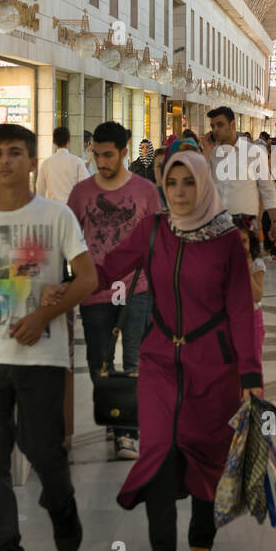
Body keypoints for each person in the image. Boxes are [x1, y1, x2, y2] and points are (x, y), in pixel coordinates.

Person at [95, 150, 263, 551]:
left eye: (189, 183)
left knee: (206, 451)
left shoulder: (227, 239)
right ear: (163, 188)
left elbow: (241, 310)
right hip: (159, 359)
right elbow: (108, 269)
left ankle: (202, 541)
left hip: (213, 365)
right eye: (173, 184)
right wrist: (63, 284)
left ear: (204, 185)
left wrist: (250, 376)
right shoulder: (153, 231)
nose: (181, 192)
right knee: (159, 450)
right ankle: (162, 549)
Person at [0, 124, 98, 551]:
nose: (5, 161)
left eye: (15, 153)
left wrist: (45, 314)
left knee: (43, 449)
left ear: (32, 161)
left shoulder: (56, 217)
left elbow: (88, 279)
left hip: (42, 356)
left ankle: (61, 505)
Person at [67, 122, 161, 460]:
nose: (101, 162)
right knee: (98, 361)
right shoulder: (80, 193)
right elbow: (70, 239)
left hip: (138, 288)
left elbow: (156, 242)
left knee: (135, 358)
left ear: (124, 152)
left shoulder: (146, 192)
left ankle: (127, 433)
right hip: (95, 289)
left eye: (108, 155)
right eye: (96, 155)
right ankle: (115, 409)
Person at [206, 105, 276, 243]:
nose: (215, 129)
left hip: (246, 223)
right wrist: (206, 153)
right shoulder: (212, 154)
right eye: (213, 126)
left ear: (232, 125)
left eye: (220, 125)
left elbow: (267, 189)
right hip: (217, 223)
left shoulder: (254, 152)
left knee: (246, 262)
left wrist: (275, 221)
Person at [36, 126, 90, 203]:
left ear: (53, 142)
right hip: (71, 209)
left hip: (52, 209)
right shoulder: (77, 162)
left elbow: (40, 190)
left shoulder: (46, 163)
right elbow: (86, 186)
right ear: (69, 140)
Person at [240, 223, 266, 362]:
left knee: (251, 364)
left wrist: (247, 272)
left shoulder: (256, 263)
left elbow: (257, 296)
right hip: (229, 320)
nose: (241, 246)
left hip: (251, 320)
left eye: (244, 241)